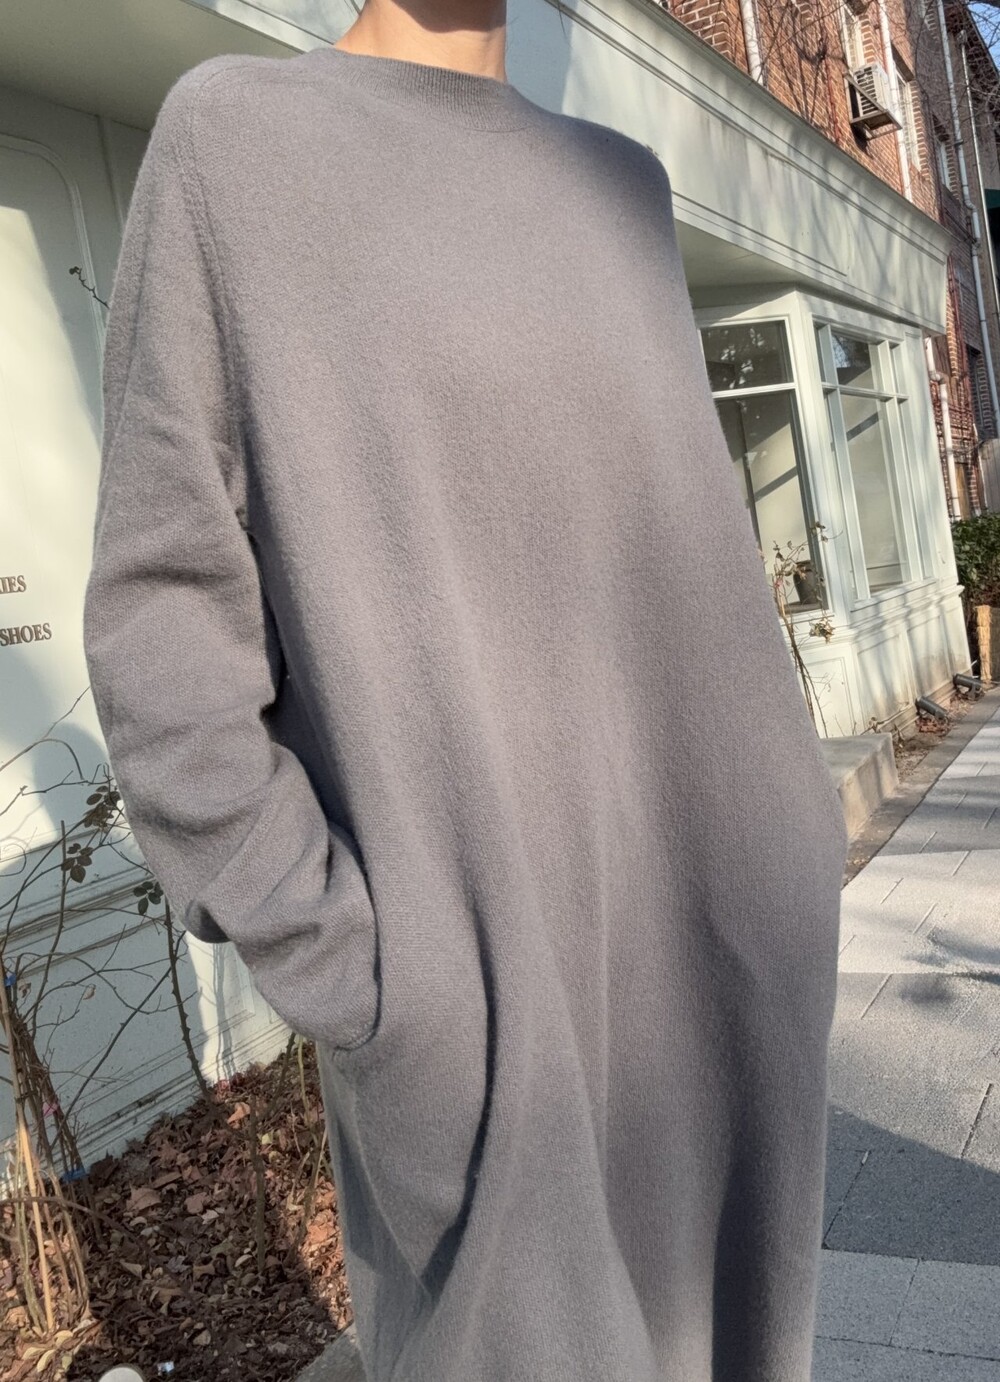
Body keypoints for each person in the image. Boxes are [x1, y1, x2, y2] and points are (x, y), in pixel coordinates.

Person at [82, 1, 849, 1378]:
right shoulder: (233, 146)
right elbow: (163, 632)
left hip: (730, 976)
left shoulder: (623, 190)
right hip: (485, 1037)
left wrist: (792, 848)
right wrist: (382, 983)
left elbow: (685, 567)